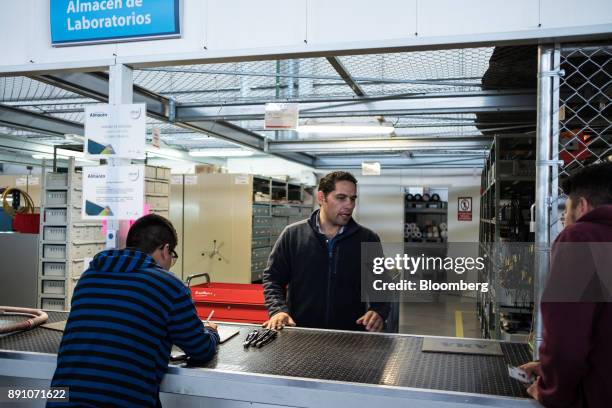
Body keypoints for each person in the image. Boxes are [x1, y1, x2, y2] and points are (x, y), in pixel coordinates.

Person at [47, 214, 219, 408]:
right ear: (166, 250)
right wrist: (211, 331)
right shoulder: (169, 285)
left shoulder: (89, 277)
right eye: (173, 256)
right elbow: (201, 349)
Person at [520, 162, 612, 407]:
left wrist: (550, 390)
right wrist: (546, 368)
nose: (564, 221)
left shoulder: (582, 237)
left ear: (581, 206)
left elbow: (567, 338)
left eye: (565, 212)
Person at [262, 171, 390, 332]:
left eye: (353, 199)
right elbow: (273, 278)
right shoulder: (293, 235)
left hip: (351, 336)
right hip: (300, 334)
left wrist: (379, 311)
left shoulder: (367, 239)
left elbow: (381, 283)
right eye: (341, 197)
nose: (349, 205)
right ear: (321, 198)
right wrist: (278, 310)